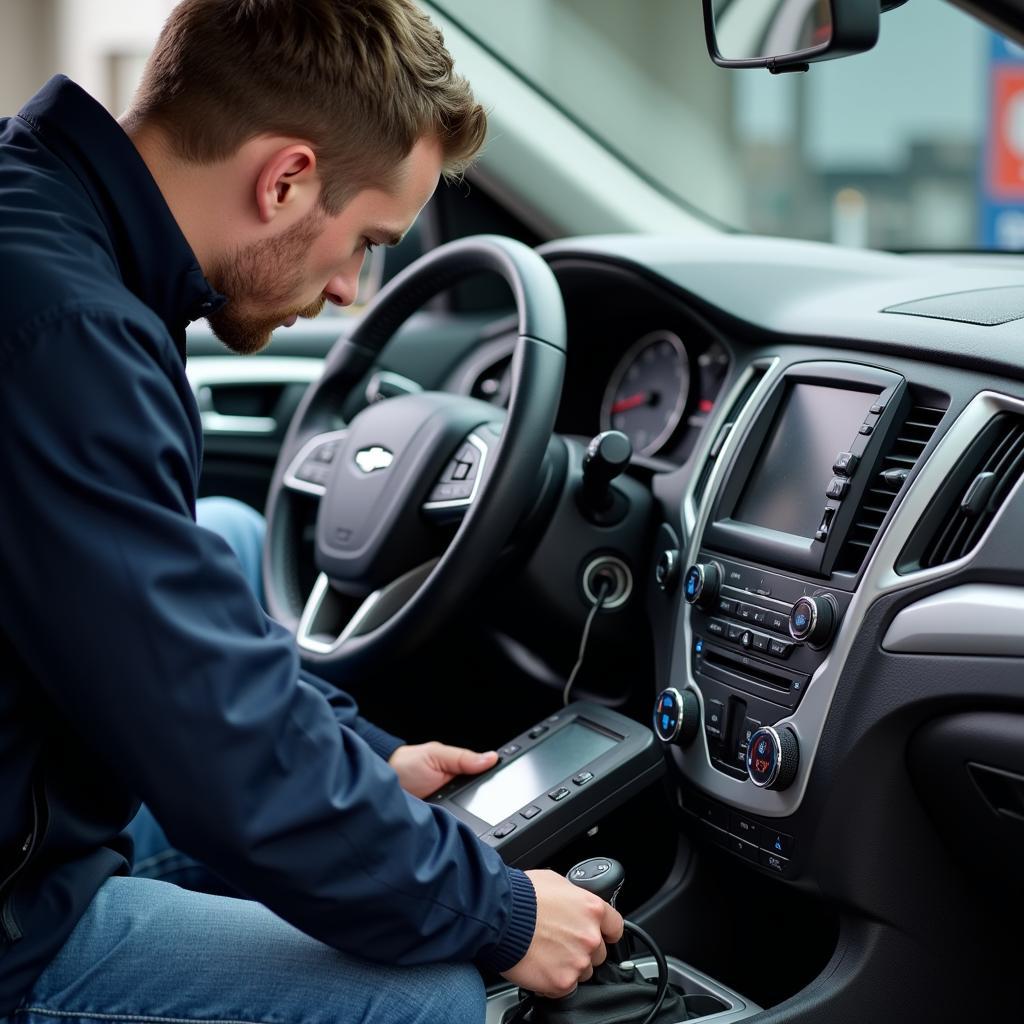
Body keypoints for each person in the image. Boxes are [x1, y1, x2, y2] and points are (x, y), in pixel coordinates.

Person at [0, 3, 623, 1024]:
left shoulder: (55, 228)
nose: (349, 290)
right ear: (284, 178)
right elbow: (208, 733)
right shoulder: (66, 334)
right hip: (17, 916)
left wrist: (368, 761)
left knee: (232, 539)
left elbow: (167, 633)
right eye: (366, 241)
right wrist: (501, 914)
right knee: (419, 994)